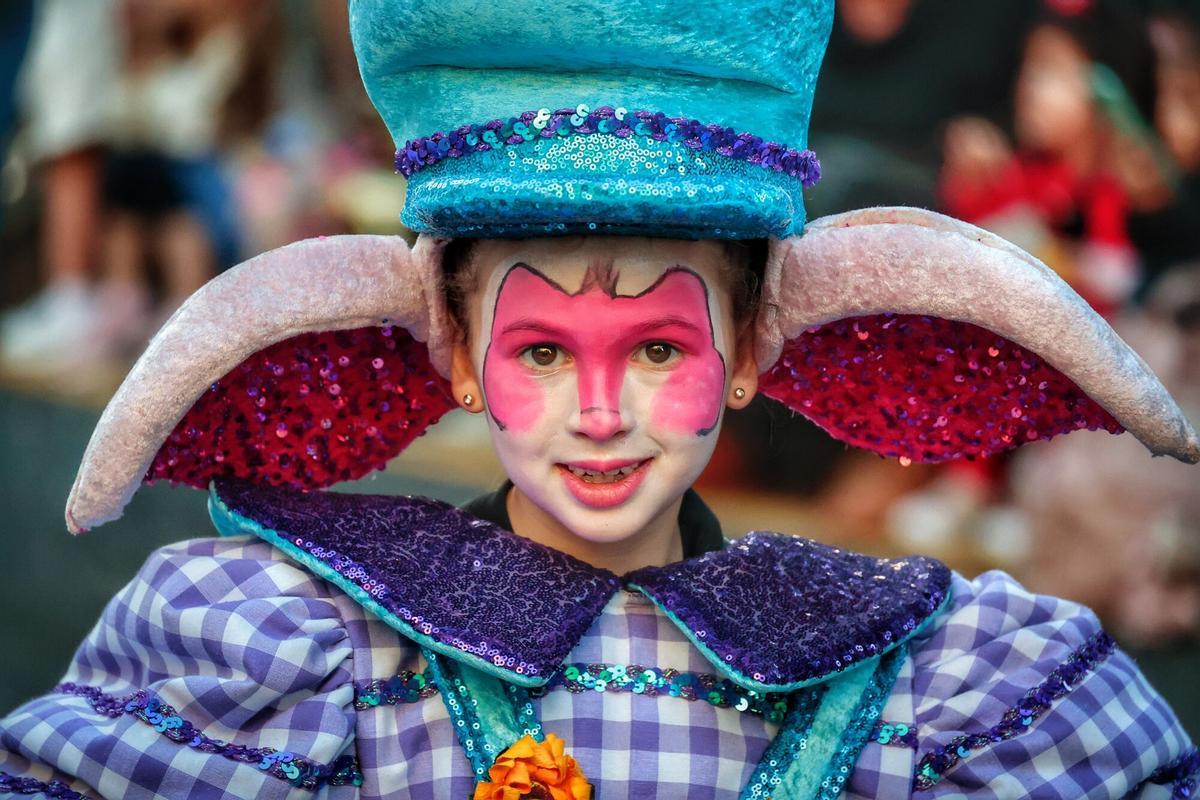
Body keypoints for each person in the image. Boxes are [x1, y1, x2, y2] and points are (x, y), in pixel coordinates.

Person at [1, 0, 1198, 797]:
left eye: (662, 350)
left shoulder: (945, 682)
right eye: (542, 353)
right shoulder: (297, 653)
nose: (602, 410)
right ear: (458, 355)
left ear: (748, 348)